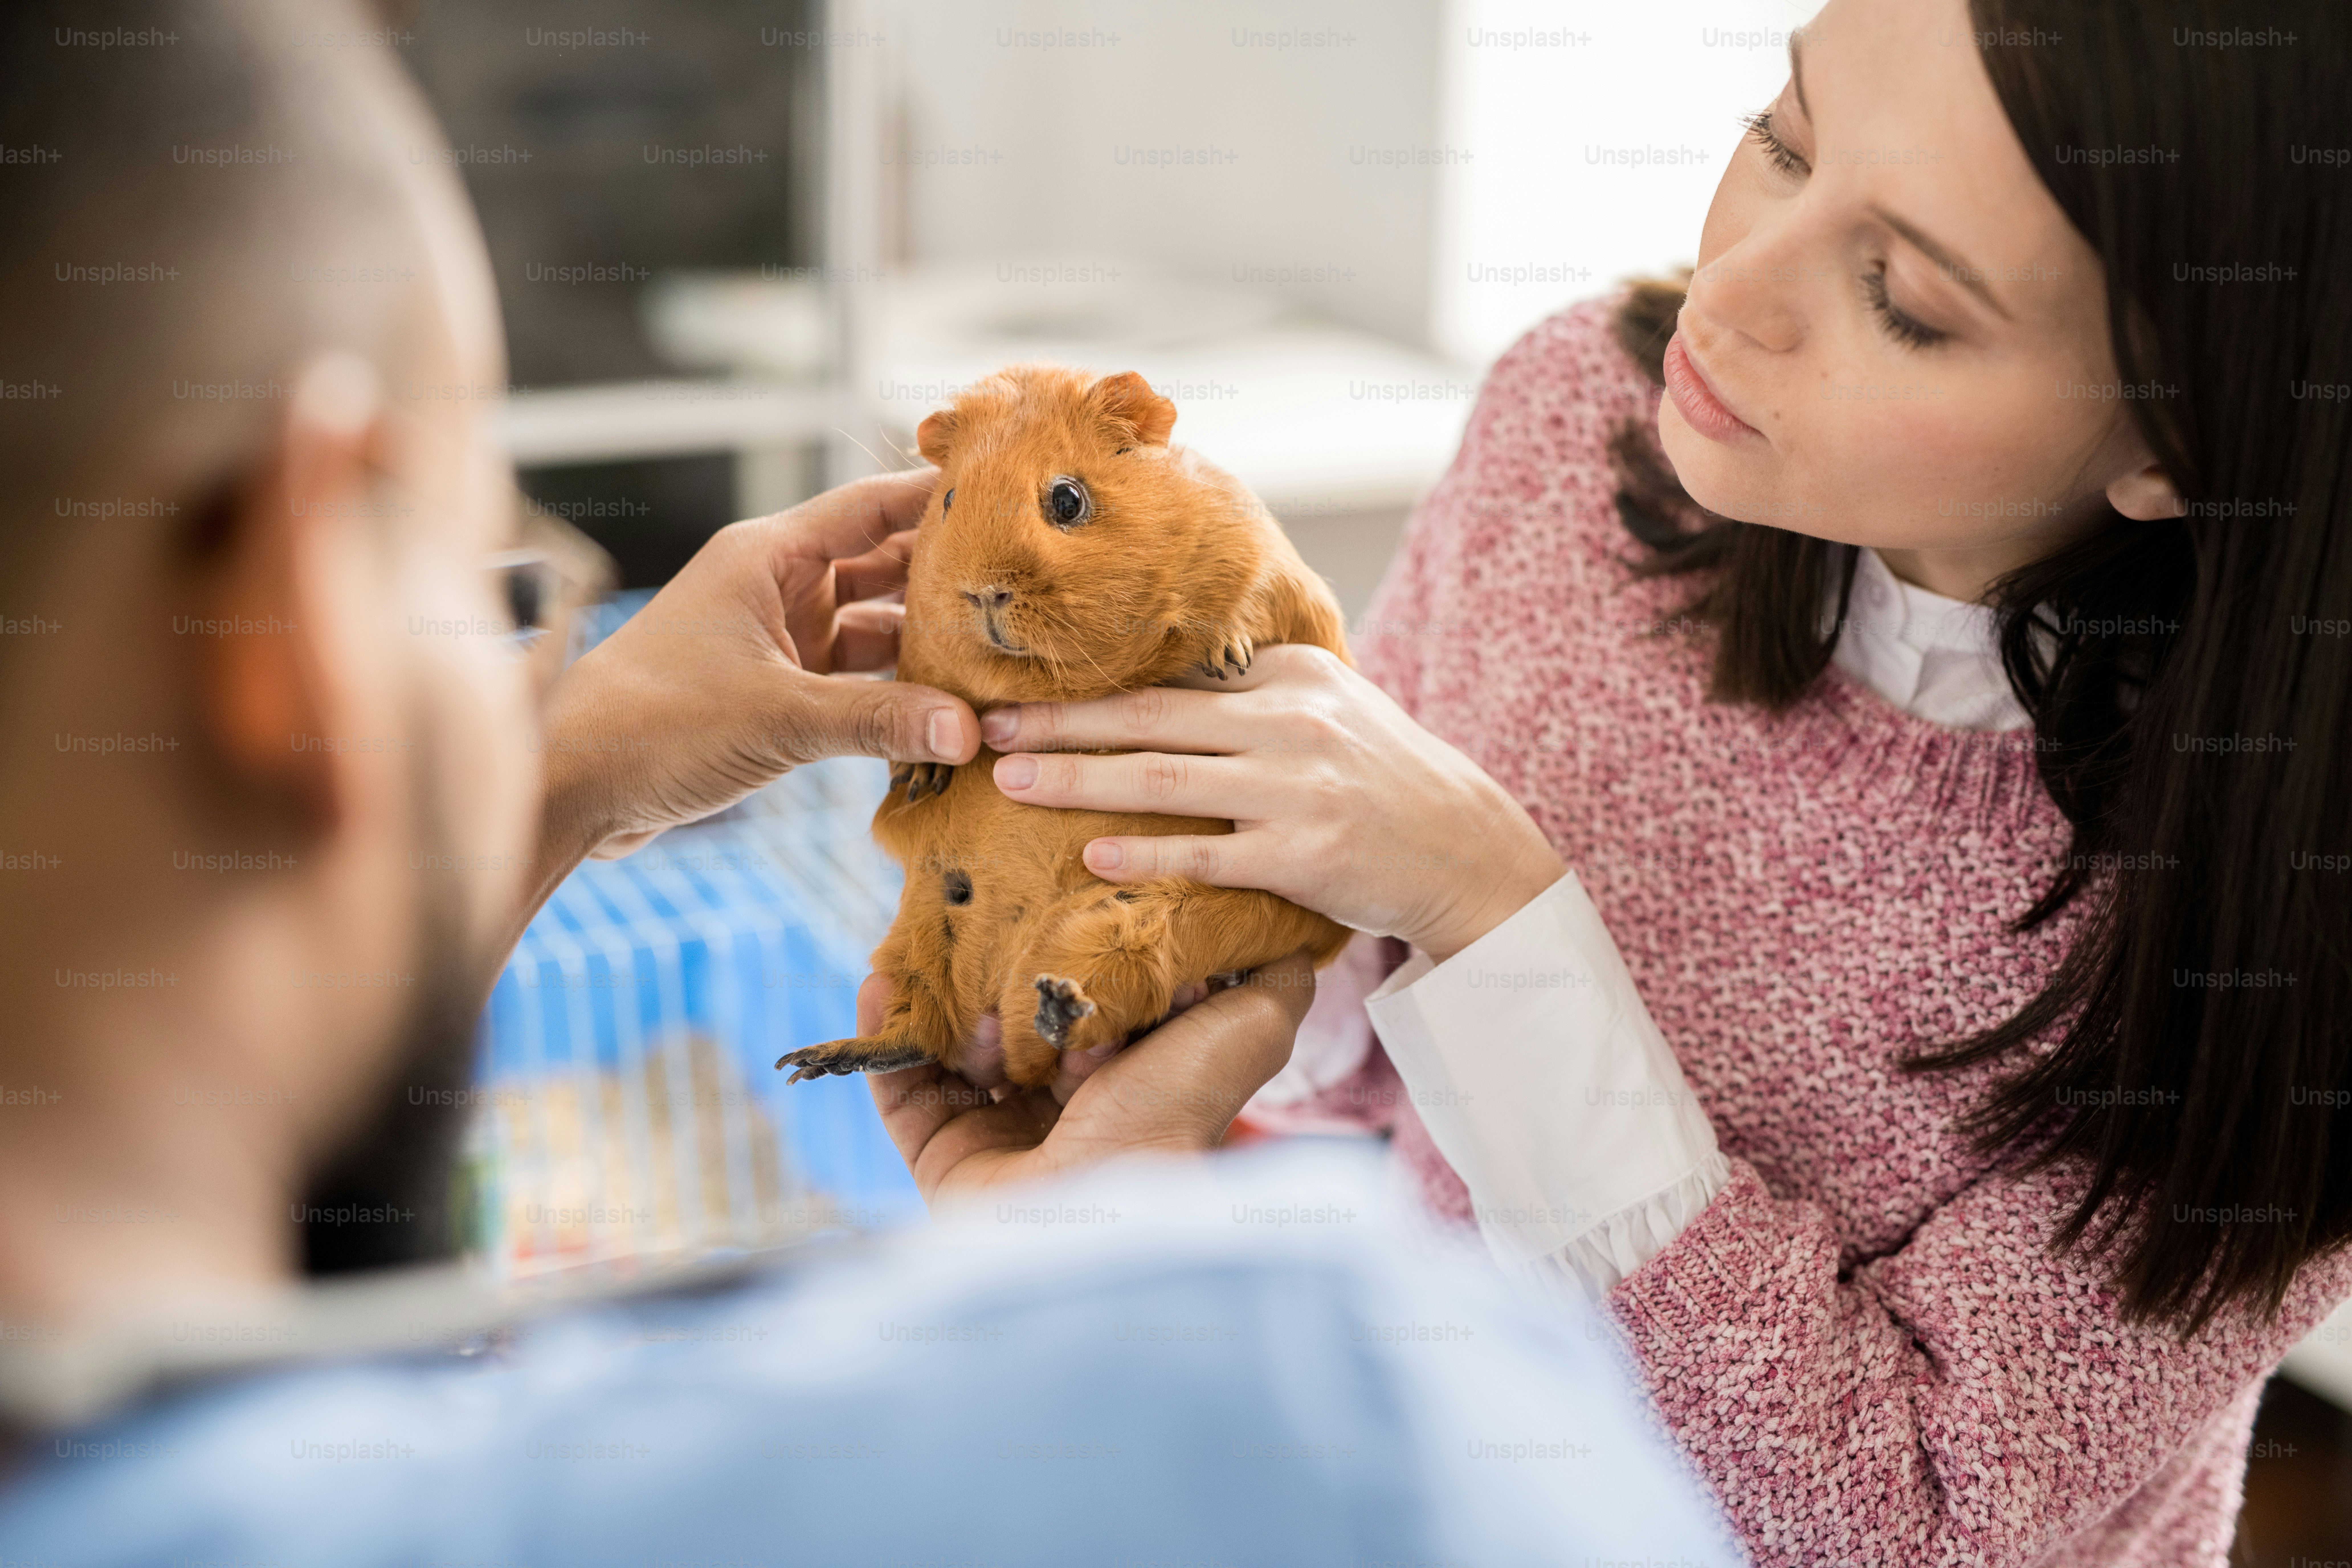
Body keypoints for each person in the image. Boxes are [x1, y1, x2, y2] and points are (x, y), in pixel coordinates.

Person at [0, 1, 1739, 1564]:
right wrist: (1075, 1277)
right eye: (494, 578)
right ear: (308, 608)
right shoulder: (1319, 1416)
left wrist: (565, 779)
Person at [891, 1, 2352, 1564]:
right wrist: (1108, 944)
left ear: (2183, 432)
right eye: (1785, 137)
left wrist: (1496, 917)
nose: (1730, 291)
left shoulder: (2282, 910)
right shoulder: (1579, 415)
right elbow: (1367, 1058)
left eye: (1906, 300)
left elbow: (1898, 1529)